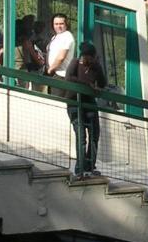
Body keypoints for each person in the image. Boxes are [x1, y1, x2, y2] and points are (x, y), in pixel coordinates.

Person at [66, 41, 106, 178]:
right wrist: (87, 84)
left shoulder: (96, 67)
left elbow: (103, 83)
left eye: (93, 58)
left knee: (94, 135)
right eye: (90, 57)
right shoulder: (75, 63)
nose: (91, 60)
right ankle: (80, 167)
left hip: (89, 104)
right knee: (81, 136)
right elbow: (69, 78)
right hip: (75, 104)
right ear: (85, 56)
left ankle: (90, 165)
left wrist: (98, 68)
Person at [45, 13, 75, 86]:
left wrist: (50, 70)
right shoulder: (55, 37)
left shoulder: (67, 36)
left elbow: (61, 57)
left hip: (60, 75)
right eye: (56, 24)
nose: (58, 26)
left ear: (66, 24)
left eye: (61, 24)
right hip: (53, 74)